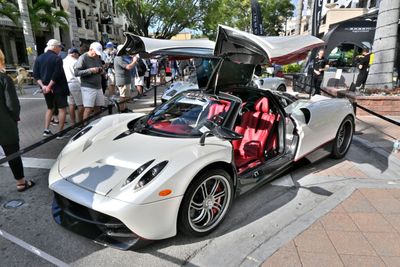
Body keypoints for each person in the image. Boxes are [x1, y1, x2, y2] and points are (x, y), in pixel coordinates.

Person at [0, 49, 35, 192]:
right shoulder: (4, 78)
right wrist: (15, 118)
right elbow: (12, 105)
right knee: (13, 153)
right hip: (4, 124)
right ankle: (21, 182)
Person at [33, 39, 69, 139]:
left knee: (50, 108)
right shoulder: (57, 59)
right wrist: (49, 86)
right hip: (58, 88)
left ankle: (46, 129)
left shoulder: (39, 58)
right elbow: (56, 74)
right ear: (54, 47)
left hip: (45, 88)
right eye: (59, 47)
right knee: (62, 109)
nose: (60, 49)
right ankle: (60, 133)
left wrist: (44, 86)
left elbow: (36, 75)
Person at [74, 42, 105, 120]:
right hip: (88, 86)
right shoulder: (83, 58)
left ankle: (97, 124)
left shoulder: (97, 57)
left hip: (98, 86)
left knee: (98, 107)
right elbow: (76, 72)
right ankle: (85, 126)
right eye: (96, 53)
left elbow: (100, 68)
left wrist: (101, 71)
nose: (97, 55)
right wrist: (90, 70)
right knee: (88, 108)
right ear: (91, 49)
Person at [114, 45, 138, 112]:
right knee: (123, 96)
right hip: (122, 80)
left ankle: (125, 108)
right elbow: (128, 67)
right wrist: (134, 61)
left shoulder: (122, 57)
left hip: (126, 79)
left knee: (125, 96)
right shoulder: (118, 58)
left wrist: (133, 60)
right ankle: (122, 110)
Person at [63, 47, 83, 126]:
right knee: (80, 104)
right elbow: (78, 75)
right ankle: (81, 122)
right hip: (75, 83)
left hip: (67, 83)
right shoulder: (76, 62)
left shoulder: (63, 61)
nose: (78, 56)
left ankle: (73, 122)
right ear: (74, 54)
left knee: (71, 104)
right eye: (77, 54)